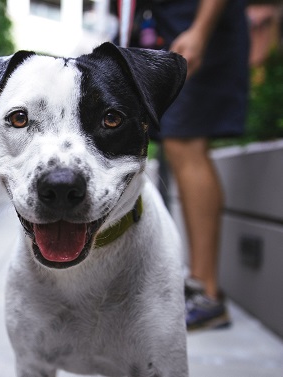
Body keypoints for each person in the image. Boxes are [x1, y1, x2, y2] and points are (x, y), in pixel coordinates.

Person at [150, 0, 250, 330]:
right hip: (178, 28)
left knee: (186, 143)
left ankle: (207, 294)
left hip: (197, 28)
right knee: (180, 145)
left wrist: (200, 31)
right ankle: (198, 287)